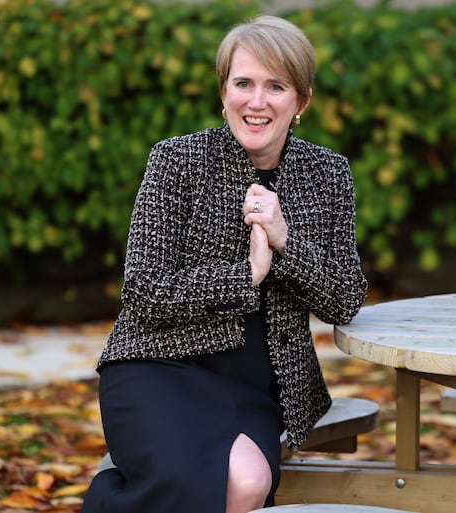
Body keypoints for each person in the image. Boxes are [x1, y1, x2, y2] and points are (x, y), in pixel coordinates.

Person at [80, 14, 368, 513]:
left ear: (301, 101)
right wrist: (246, 275)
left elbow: (345, 299)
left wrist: (283, 242)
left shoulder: (328, 174)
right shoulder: (177, 161)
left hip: (253, 384)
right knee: (209, 483)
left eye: (275, 86)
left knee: (248, 483)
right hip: (155, 364)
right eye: (243, 83)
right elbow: (143, 291)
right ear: (224, 92)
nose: (256, 102)